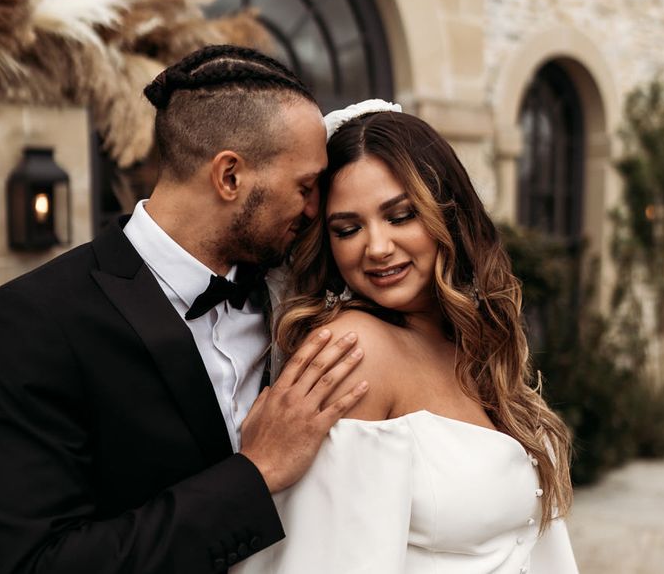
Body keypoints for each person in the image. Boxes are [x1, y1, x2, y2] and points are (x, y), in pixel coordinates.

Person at [0, 45, 369, 574]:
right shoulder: (31, 322)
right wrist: (256, 471)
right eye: (305, 187)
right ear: (230, 177)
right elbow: (40, 564)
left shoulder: (293, 289)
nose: (316, 209)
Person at [235, 100, 578, 573]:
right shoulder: (351, 353)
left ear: (448, 214)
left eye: (400, 216)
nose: (376, 248)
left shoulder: (470, 340)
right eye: (348, 228)